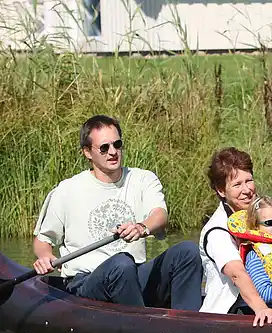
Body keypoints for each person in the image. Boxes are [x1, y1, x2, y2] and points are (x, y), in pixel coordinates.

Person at [32, 114, 203, 310]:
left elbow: (160, 215)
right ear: (87, 152)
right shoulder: (66, 190)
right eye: (104, 148)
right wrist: (45, 256)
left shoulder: (143, 179)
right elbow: (42, 240)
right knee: (121, 264)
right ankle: (142, 323)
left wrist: (142, 227)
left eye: (117, 144)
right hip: (86, 284)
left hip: (134, 277)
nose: (113, 152)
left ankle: (187, 322)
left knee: (188, 251)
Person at [199, 147, 272, 326]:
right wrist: (262, 309)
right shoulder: (217, 231)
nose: (247, 190)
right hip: (229, 314)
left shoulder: (264, 217)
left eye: (249, 181)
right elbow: (237, 274)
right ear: (221, 190)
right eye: (237, 185)